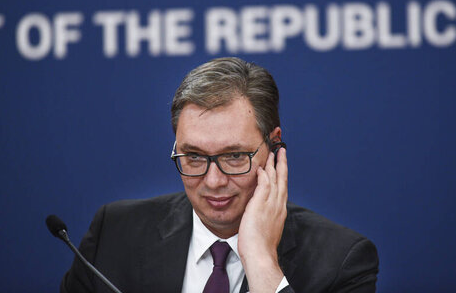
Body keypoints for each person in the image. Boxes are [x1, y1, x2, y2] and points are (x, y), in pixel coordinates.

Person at [60, 57, 379, 293]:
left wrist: (261, 260)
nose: (213, 181)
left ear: (274, 145)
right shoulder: (113, 235)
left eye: (235, 156)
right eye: (194, 156)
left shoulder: (341, 260)